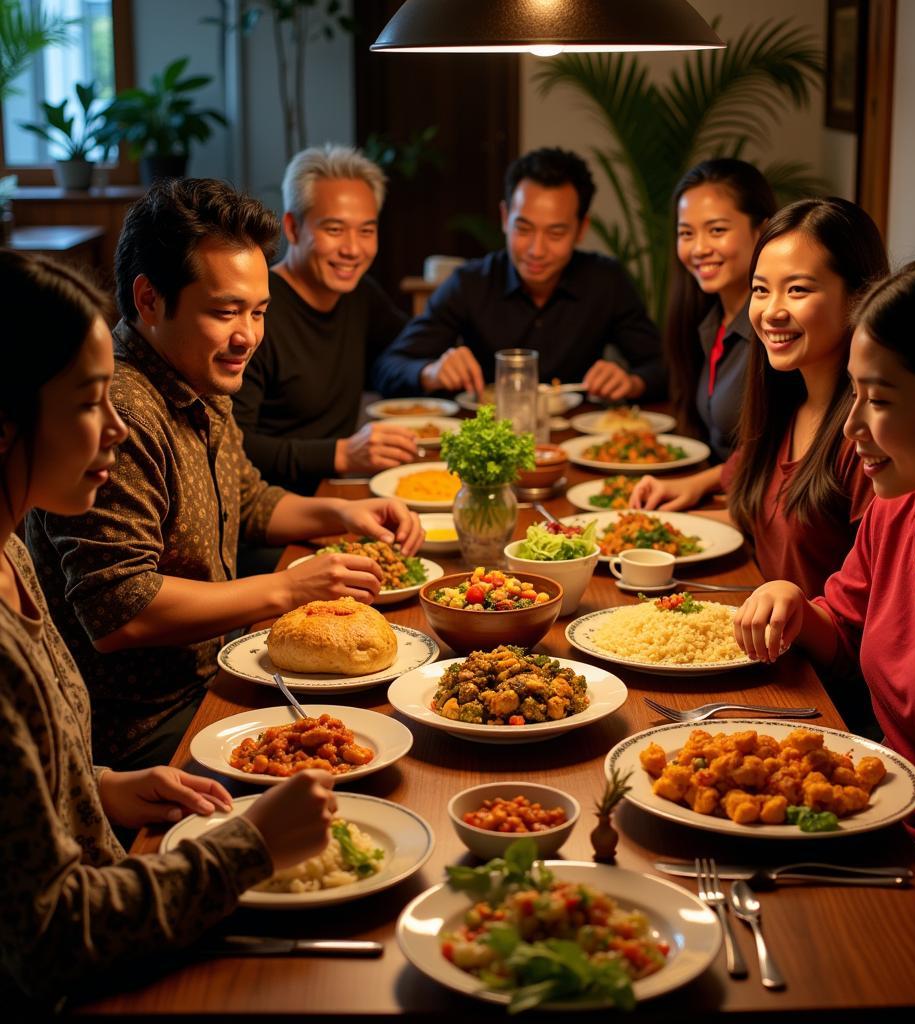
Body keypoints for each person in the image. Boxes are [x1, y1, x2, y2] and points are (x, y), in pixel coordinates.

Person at [0, 251, 339, 1007]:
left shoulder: (11, 551)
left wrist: (101, 790)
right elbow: (49, 939)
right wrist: (248, 850)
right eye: (91, 403)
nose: (115, 428)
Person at [26, 178, 423, 771]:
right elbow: (119, 610)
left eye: (259, 312)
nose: (248, 337)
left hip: (221, 674)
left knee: (398, 708)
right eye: (225, 311)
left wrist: (342, 513)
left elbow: (249, 497)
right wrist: (290, 587)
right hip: (144, 731)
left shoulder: (199, 373)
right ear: (149, 300)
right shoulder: (120, 413)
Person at [732, 235, 915, 989]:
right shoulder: (903, 513)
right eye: (853, 393)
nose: (853, 427)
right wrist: (798, 604)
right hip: (876, 833)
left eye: (881, 400)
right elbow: (845, 626)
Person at [632, 198, 885, 599]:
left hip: (810, 656)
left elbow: (871, 600)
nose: (771, 312)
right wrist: (665, 509)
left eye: (798, 289)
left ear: (859, 296)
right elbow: (753, 503)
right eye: (761, 290)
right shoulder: (787, 405)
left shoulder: (867, 438)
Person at [373, 146, 665, 402]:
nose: (536, 250)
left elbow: (664, 366)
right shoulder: (471, 283)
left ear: (581, 229)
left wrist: (632, 382)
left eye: (556, 232)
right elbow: (388, 367)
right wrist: (430, 372)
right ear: (504, 218)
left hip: (578, 444)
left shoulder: (606, 281)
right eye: (523, 229)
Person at [233, 145, 416, 495]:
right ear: (292, 227)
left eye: (366, 231)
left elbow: (403, 348)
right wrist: (340, 454)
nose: (352, 249)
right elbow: (233, 445)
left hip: (332, 493)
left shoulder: (361, 296)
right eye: (334, 230)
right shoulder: (256, 310)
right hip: (266, 512)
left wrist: (428, 370)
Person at [664, 159, 776, 463]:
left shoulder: (775, 328)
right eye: (686, 233)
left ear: (762, 230)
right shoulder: (710, 319)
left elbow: (775, 457)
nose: (699, 248)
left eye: (716, 230)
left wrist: (698, 485)